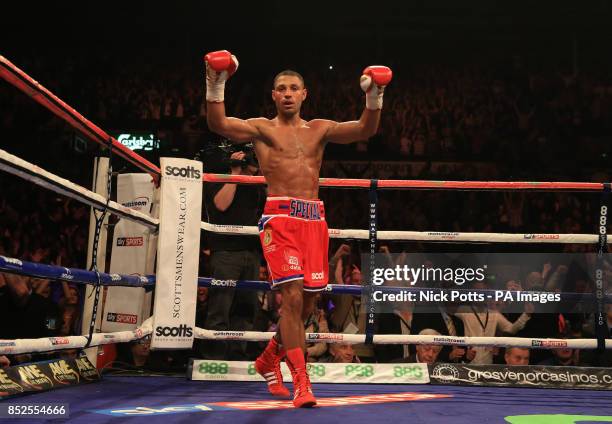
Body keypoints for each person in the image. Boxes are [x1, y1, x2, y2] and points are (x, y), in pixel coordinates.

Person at [205, 49, 392, 407]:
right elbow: (220, 124)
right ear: (273, 95)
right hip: (280, 218)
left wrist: (374, 95)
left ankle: (267, 359)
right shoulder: (262, 128)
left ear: (304, 94)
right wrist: (216, 82)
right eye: (281, 88)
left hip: (315, 220)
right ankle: (302, 383)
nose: (287, 93)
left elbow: (366, 128)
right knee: (290, 300)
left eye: (294, 88)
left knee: (305, 306)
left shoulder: (319, 130)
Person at [202, 146, 264, 360]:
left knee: (246, 308)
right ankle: (215, 358)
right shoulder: (218, 178)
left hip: (252, 252)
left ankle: (238, 356)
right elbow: (221, 204)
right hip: (227, 251)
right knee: (220, 306)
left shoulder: (257, 184)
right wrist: (235, 173)